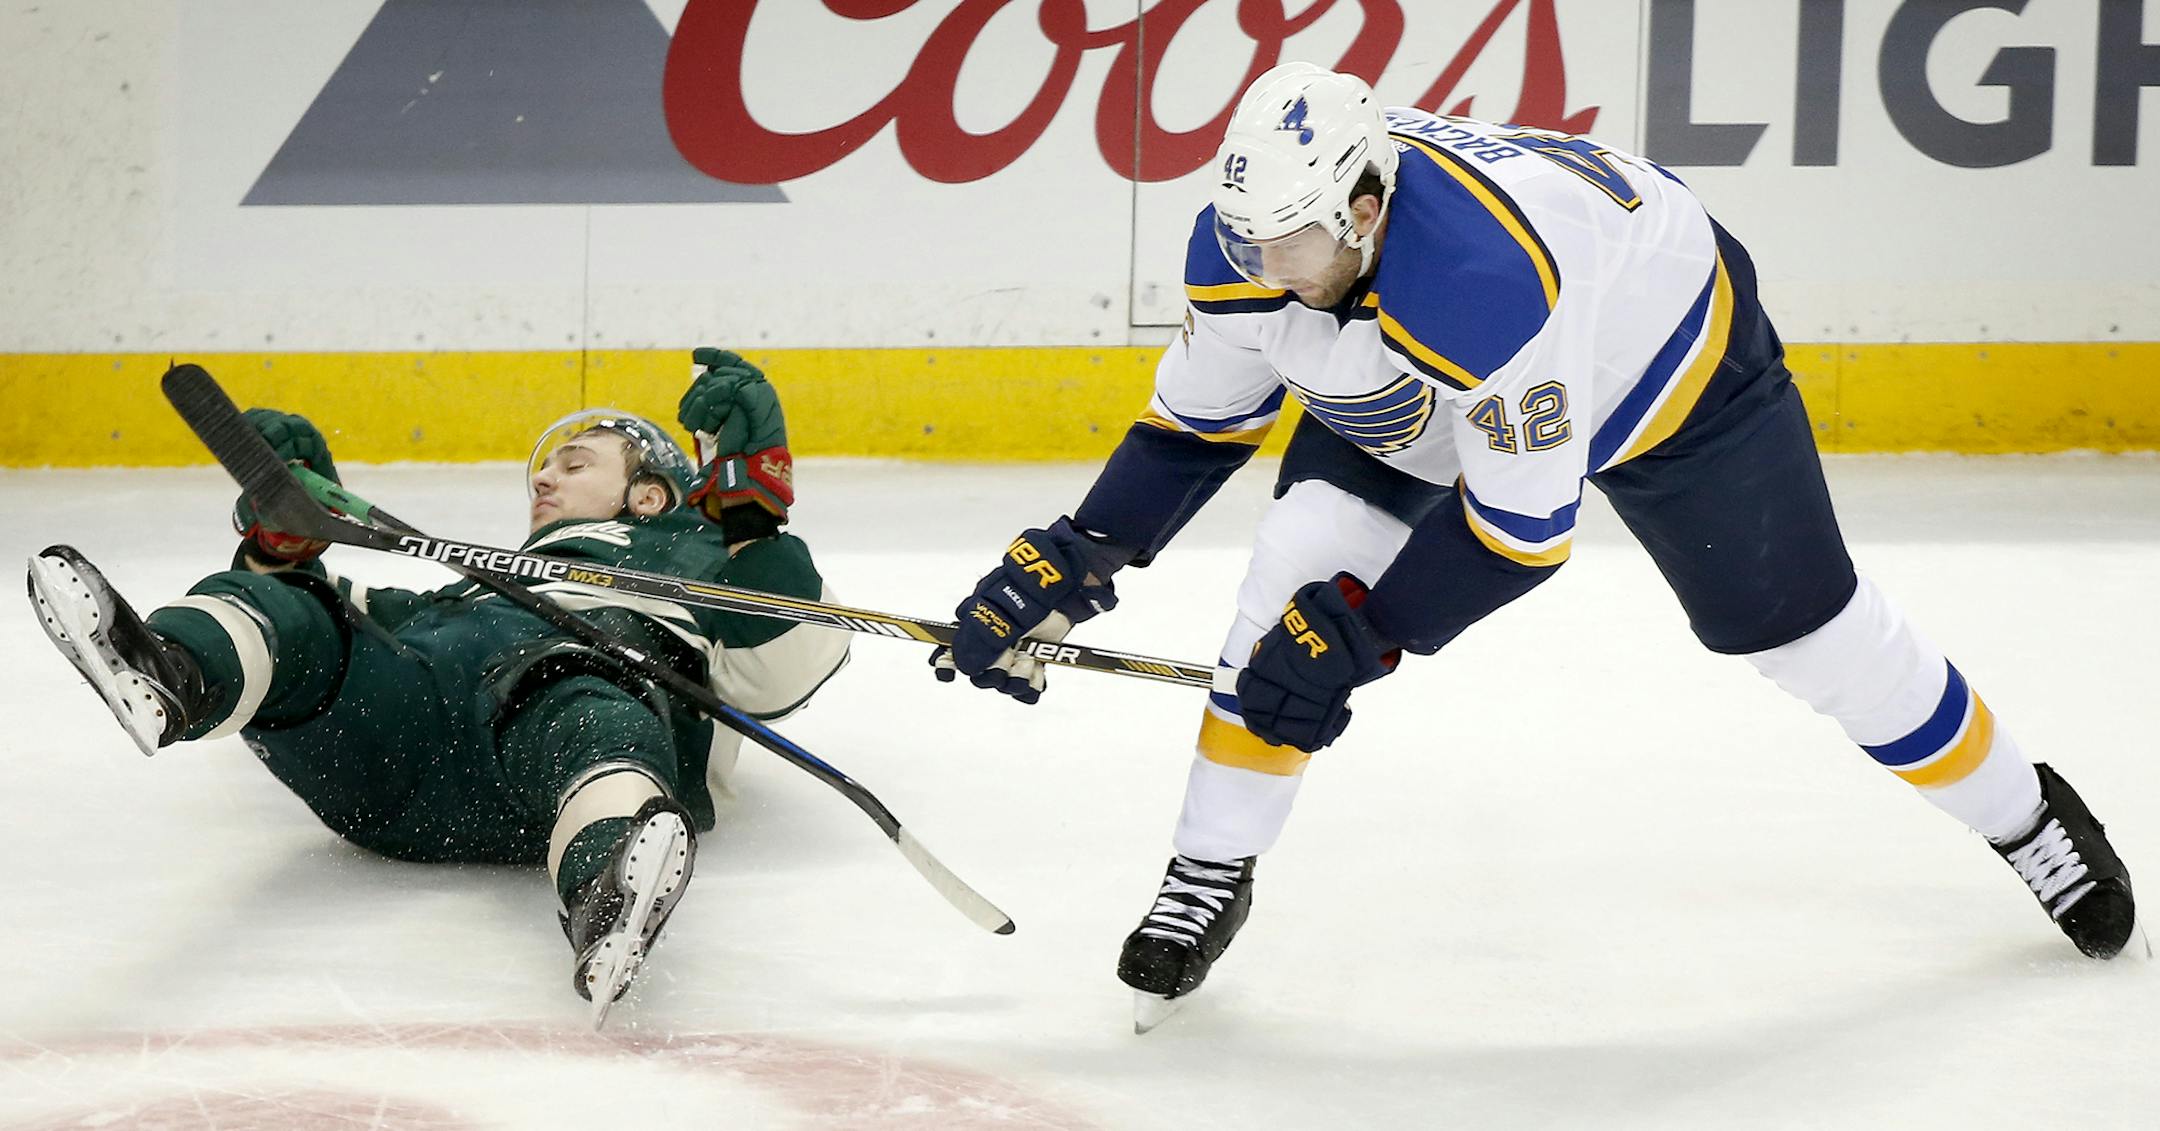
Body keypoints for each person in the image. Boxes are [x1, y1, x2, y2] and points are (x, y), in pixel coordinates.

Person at [934, 62, 2144, 1026]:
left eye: (1282, 245)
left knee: (1814, 642)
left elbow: (1518, 535)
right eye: (1242, 239)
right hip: (1440, 365)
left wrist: (1367, 639)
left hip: (1661, 360)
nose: (1254, 268)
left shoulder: (1474, 285)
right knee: (1300, 558)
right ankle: (1209, 868)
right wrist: (1074, 558)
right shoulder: (1265, 246)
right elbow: (1199, 424)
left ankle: (2029, 817)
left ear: (1363, 210)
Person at [27, 348, 848, 1024]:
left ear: (648, 492)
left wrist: (750, 521)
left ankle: (607, 894)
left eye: (575, 461)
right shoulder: (472, 583)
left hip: (547, 757)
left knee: (586, 698)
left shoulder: (695, 564)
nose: (544, 480)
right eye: (542, 469)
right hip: (393, 763)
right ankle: (172, 674)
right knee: (301, 613)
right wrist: (285, 548)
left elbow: (788, 658)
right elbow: (342, 626)